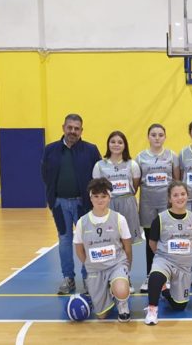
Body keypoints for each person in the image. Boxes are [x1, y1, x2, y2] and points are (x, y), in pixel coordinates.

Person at [41, 113, 101, 295]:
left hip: (83, 204)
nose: (73, 131)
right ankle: (68, 278)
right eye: (70, 127)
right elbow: (45, 174)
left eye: (77, 128)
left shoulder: (90, 150)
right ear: (63, 128)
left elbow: (98, 176)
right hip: (60, 204)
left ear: (81, 131)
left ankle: (88, 277)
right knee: (65, 241)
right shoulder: (50, 150)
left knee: (86, 241)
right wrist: (53, 199)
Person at [144, 181, 192, 325]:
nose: (180, 198)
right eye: (175, 195)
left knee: (179, 307)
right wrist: (163, 255)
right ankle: (152, 310)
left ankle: (164, 290)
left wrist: (184, 252)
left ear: (187, 196)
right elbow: (152, 243)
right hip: (164, 260)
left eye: (183, 194)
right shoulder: (160, 218)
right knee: (156, 276)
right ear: (170, 199)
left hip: (184, 265)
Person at [74, 178, 133, 322]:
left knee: (121, 289)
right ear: (90, 197)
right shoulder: (82, 222)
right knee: (101, 316)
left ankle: (122, 303)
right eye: (96, 196)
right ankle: (108, 291)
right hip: (95, 269)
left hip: (116, 265)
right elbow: (79, 248)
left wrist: (125, 268)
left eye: (103, 196)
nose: (100, 200)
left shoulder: (119, 219)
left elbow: (127, 247)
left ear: (109, 197)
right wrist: (89, 264)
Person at [135, 124, 180, 293]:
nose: (157, 137)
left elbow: (176, 180)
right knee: (150, 241)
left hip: (165, 204)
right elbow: (136, 183)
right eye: (153, 134)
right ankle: (150, 276)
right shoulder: (140, 157)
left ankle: (166, 276)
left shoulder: (172, 156)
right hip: (147, 203)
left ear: (165, 137)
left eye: (160, 134)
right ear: (148, 137)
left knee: (167, 239)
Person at [92, 131, 143, 245]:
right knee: (110, 240)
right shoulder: (99, 165)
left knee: (127, 241)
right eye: (113, 142)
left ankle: (126, 263)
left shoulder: (132, 164)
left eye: (120, 142)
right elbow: (96, 188)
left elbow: (135, 186)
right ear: (108, 144)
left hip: (128, 203)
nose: (116, 144)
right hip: (108, 204)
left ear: (125, 145)